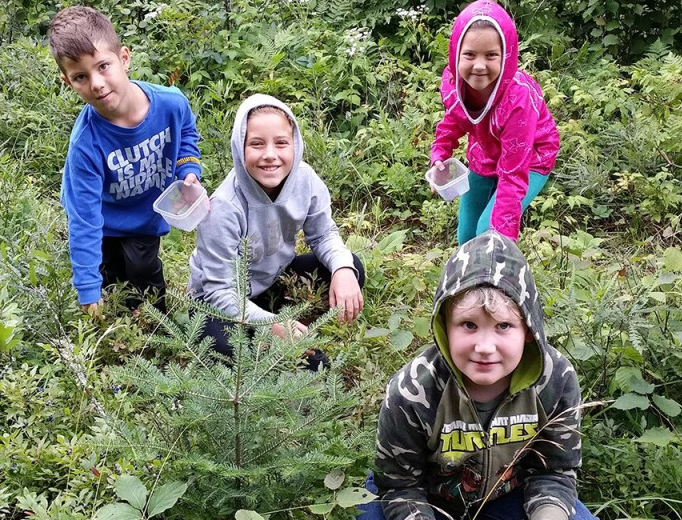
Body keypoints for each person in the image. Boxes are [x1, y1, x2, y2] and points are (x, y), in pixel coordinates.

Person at [363, 230, 596, 520]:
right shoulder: (412, 389)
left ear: (527, 330)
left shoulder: (555, 379)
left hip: (507, 496)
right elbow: (400, 485)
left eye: (504, 326)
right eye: (468, 325)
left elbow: (554, 472)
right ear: (444, 327)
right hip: (423, 499)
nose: (485, 347)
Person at [188, 94, 364, 369]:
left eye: (281, 143)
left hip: (272, 282)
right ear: (239, 147)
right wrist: (270, 323)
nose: (270, 155)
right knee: (219, 345)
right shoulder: (223, 207)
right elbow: (218, 291)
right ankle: (279, 340)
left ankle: (287, 328)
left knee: (351, 267)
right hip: (219, 303)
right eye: (256, 144)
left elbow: (323, 234)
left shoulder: (305, 179)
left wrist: (342, 269)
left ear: (295, 145)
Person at [48, 6, 203, 316]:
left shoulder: (171, 103)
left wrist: (188, 166)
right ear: (68, 82)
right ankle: (121, 323)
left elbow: (186, 130)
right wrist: (87, 288)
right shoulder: (86, 145)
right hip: (102, 219)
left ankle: (158, 324)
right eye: (81, 76)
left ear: (124, 58)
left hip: (145, 212)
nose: (96, 83)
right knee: (112, 276)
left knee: (145, 270)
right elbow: (84, 221)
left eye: (103, 66)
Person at [430, 0, 559, 245]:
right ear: (456, 53)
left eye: (491, 55)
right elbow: (453, 121)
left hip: (530, 158)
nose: (479, 66)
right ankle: (468, 282)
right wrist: (439, 154)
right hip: (485, 152)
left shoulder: (518, 101)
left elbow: (513, 177)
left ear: (506, 56)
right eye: (469, 54)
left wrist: (498, 241)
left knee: (488, 233)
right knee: (467, 235)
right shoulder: (453, 85)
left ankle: (497, 279)